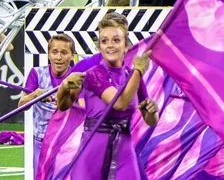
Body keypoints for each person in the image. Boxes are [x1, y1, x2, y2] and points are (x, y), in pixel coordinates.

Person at [56, 15, 159, 179]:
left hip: (124, 150)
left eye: (116, 40)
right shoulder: (94, 74)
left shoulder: (132, 76)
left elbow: (150, 120)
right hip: (92, 151)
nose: (110, 45)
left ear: (126, 46)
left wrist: (152, 111)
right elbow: (119, 104)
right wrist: (64, 86)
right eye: (104, 41)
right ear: (100, 47)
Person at [20, 33, 103, 173]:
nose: (58, 57)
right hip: (41, 142)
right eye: (54, 52)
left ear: (72, 56)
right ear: (48, 55)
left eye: (64, 53)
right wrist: (35, 95)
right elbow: (22, 104)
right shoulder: (37, 73)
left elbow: (85, 107)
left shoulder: (77, 77)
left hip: (68, 143)